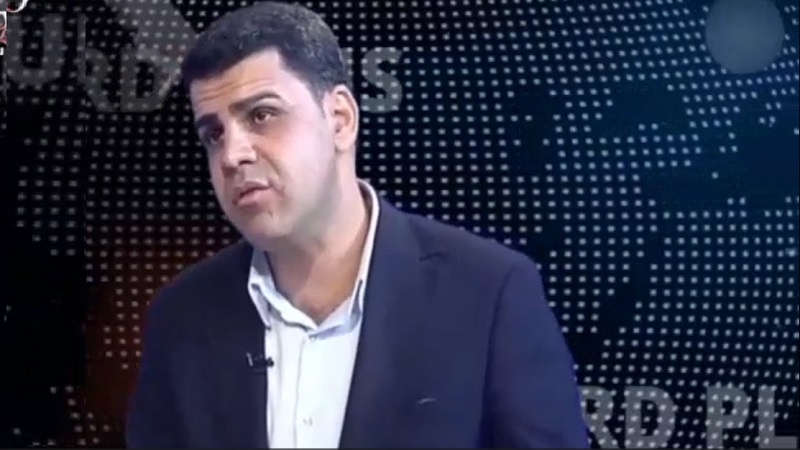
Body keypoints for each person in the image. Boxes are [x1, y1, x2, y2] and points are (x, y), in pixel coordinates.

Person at [125, 2, 588, 448]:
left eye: (261, 115)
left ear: (341, 120)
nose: (232, 155)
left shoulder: (488, 293)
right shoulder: (181, 318)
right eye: (213, 134)